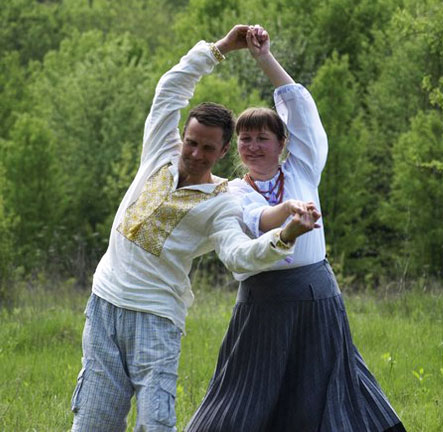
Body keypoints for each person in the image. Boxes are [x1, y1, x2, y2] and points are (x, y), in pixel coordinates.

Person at [70, 25, 320, 432]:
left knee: (156, 423)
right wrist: (221, 47)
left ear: (224, 152)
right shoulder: (160, 153)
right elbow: (171, 87)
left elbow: (240, 255)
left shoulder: (222, 200)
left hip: (156, 318)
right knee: (93, 421)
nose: (194, 153)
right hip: (104, 306)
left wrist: (286, 234)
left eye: (207, 148)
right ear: (182, 136)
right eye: (191, 141)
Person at [186, 26, 406, 432]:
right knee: (245, 392)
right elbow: (256, 220)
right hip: (263, 303)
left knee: (322, 389)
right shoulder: (233, 191)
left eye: (262, 138)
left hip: (316, 296)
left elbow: (302, 110)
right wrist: (287, 212)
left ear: (283, 142)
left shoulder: (302, 168)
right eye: (245, 139)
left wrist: (263, 57)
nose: (252, 146)